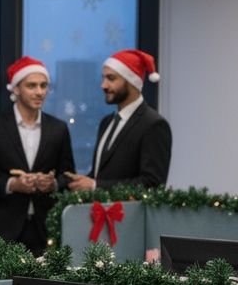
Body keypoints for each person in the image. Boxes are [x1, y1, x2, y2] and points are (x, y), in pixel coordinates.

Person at [0, 56, 75, 255]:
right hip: (1, 230)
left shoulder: (58, 129)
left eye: (43, 85)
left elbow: (69, 175)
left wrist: (52, 184)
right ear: (16, 89)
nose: (39, 92)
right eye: (32, 86)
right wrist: (12, 184)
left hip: (46, 230)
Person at [66, 49, 171, 191]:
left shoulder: (154, 125)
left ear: (132, 81)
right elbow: (102, 175)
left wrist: (95, 186)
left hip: (131, 213)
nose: (104, 85)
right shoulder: (106, 122)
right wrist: (82, 181)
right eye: (103, 78)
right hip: (100, 212)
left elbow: (152, 183)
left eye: (111, 78)